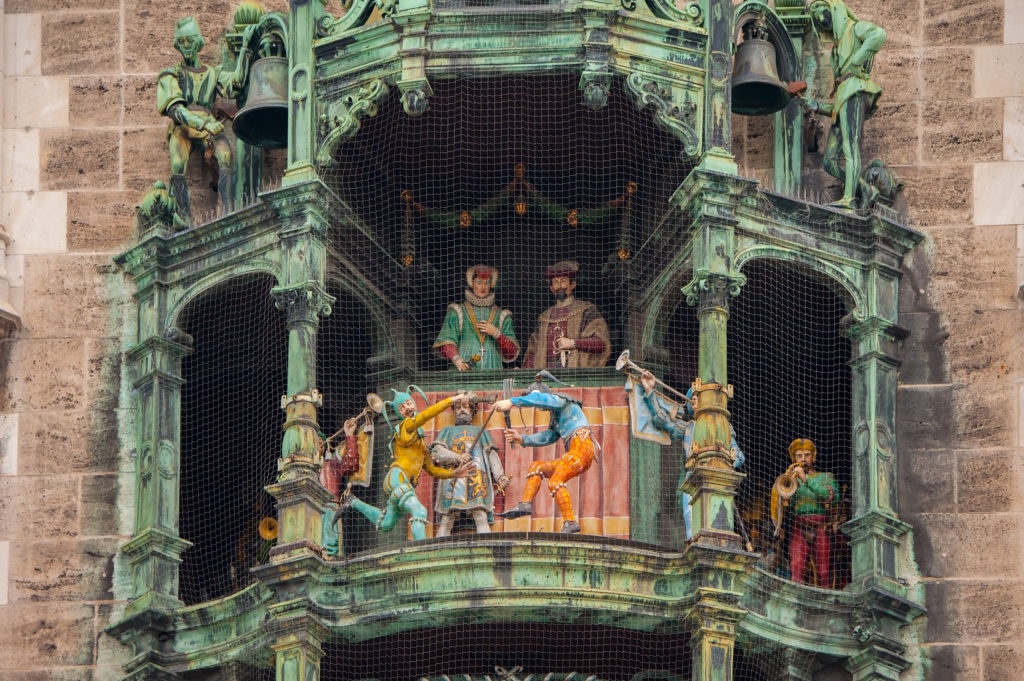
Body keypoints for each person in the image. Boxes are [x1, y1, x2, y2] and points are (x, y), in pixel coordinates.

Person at [338, 389, 474, 541]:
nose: (407, 408)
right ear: (398, 412)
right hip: (398, 478)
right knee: (420, 512)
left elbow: (431, 470)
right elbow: (424, 416)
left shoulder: (421, 442)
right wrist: (451, 400)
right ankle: (422, 554)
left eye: (409, 403)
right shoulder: (405, 427)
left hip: (401, 482)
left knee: (386, 523)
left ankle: (352, 501)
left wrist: (454, 474)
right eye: (401, 407)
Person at [628, 369, 744, 540]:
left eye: (698, 398)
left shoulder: (724, 426)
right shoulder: (689, 427)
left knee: (718, 523)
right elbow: (662, 420)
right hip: (692, 478)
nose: (694, 401)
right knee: (691, 519)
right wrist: (649, 391)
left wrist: (724, 466)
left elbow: (739, 456)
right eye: (693, 399)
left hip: (718, 478)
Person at [157, 16, 250, 226]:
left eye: (190, 40)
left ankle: (228, 211)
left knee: (226, 156)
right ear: (177, 45)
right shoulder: (171, 75)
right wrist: (205, 124)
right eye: (182, 42)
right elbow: (175, 109)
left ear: (198, 41)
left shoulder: (212, 73)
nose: (187, 46)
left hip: (209, 125)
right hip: (184, 127)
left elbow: (236, 84)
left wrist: (245, 50)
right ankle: (183, 217)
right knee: (178, 163)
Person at [801, 0, 886, 209]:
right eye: (818, 18)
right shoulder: (836, 52)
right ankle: (865, 189)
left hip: (857, 90)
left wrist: (857, 60)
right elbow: (839, 101)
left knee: (850, 145)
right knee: (829, 161)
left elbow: (879, 34)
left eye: (823, 13)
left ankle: (849, 199)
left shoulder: (855, 28)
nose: (822, 20)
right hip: (847, 95)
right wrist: (817, 106)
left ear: (835, 10)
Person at [495, 371, 597, 534]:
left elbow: (542, 399)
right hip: (574, 453)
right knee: (537, 467)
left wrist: (512, 401)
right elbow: (549, 436)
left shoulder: (561, 400)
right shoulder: (557, 415)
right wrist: (522, 439)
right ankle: (525, 504)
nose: (538, 407)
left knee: (555, 482)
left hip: (581, 448)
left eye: (535, 400)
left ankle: (570, 522)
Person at [432, 394, 511, 536]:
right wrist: (457, 457)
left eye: (466, 407)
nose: (462, 410)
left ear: (473, 411)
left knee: (480, 515)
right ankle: (439, 549)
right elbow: (437, 452)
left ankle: (486, 548)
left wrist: (499, 476)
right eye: (458, 407)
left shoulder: (480, 431)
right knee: (447, 518)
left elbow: (490, 453)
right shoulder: (447, 431)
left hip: (476, 477)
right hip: (453, 476)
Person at [773, 437, 838, 587]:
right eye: (799, 456)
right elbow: (787, 509)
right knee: (796, 566)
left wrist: (806, 479)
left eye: (807, 455)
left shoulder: (826, 477)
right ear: (794, 458)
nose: (803, 459)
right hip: (799, 526)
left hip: (820, 526)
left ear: (813, 457)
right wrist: (782, 498)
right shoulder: (792, 480)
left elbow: (832, 498)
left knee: (823, 571)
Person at [523, 261, 610, 369]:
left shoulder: (588, 310)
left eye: (563, 281)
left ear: (573, 284)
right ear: (551, 288)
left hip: (576, 373)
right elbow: (532, 352)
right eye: (555, 282)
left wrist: (573, 343)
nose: (559, 286)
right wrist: (524, 372)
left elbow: (601, 344)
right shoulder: (544, 317)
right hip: (546, 374)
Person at [434, 265, 519, 371]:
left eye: (487, 282)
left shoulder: (502, 315)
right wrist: (457, 359)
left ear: (491, 285)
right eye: (479, 282)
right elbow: (446, 342)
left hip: (492, 367)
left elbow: (512, 353)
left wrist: (496, 333)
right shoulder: (457, 311)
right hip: (464, 366)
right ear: (472, 283)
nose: (483, 287)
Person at [318, 414, 372, 558]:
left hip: (329, 508)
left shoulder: (330, 463)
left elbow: (350, 464)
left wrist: (349, 435)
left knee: (329, 543)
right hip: (309, 511)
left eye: (317, 442)